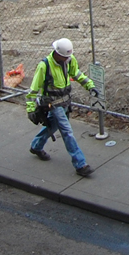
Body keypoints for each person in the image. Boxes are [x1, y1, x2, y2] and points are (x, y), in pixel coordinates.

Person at [26, 37, 99, 177]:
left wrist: (90, 86)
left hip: (65, 102)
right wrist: (30, 109)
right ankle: (80, 164)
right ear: (57, 53)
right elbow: (33, 89)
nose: (67, 59)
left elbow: (76, 73)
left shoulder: (69, 60)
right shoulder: (44, 66)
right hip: (53, 104)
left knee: (53, 125)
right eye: (65, 56)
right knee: (67, 132)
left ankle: (36, 146)